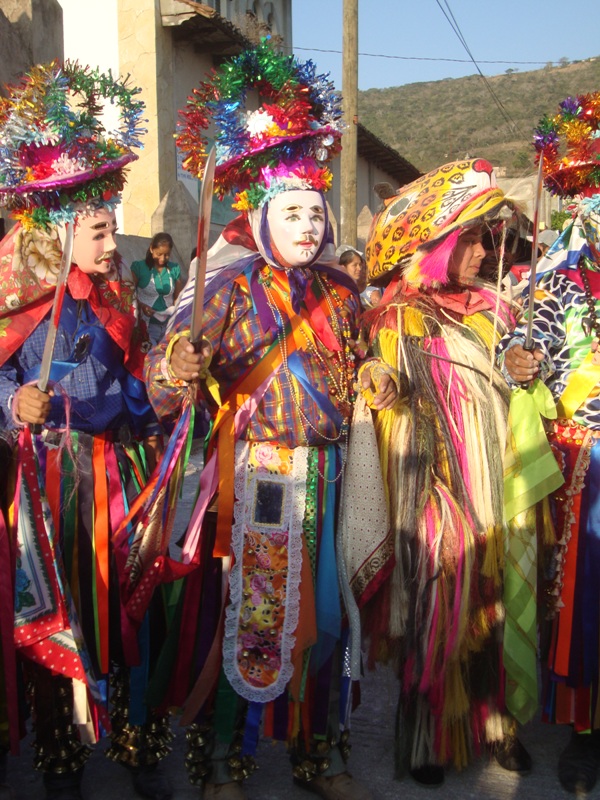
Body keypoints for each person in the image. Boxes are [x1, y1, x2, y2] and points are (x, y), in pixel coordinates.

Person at [143, 41, 397, 800]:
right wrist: (178, 363)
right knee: (249, 620)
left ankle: (324, 754)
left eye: (316, 213)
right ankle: (225, 760)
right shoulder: (225, 288)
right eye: (292, 213)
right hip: (259, 478)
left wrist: (377, 375)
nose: (309, 225)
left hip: (331, 477)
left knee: (330, 622)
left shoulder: (343, 293)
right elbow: (169, 367)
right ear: (260, 219)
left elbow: (364, 363)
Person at [0, 62, 172, 800]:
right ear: (63, 230)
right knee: (57, 614)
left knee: (134, 611)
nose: (111, 242)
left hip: (118, 474)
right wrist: (14, 403)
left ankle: (139, 749)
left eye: (110, 228)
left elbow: (136, 385)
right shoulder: (16, 295)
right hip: (49, 480)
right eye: (99, 231)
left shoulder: (119, 296)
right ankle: (60, 762)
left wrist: (168, 380)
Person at [358, 158, 531, 785]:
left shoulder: (495, 311)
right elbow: (382, 386)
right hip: (430, 486)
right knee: (438, 604)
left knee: (496, 603)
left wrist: (523, 368)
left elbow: (513, 385)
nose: (484, 252)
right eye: (472, 239)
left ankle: (498, 725)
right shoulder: (397, 316)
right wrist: (379, 381)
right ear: (437, 247)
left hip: (498, 487)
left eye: (486, 238)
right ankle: (425, 738)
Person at [499, 92, 600, 795]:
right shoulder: (556, 284)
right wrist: (518, 361)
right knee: (585, 607)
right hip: (589, 465)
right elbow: (518, 341)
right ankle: (584, 731)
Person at [131, 233, 183, 344]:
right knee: (149, 352)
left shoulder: (174, 269)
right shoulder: (139, 267)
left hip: (168, 325)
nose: (162, 259)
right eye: (159, 254)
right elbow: (130, 294)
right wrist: (142, 306)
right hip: (146, 326)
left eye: (167, 255)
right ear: (151, 249)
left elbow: (177, 298)